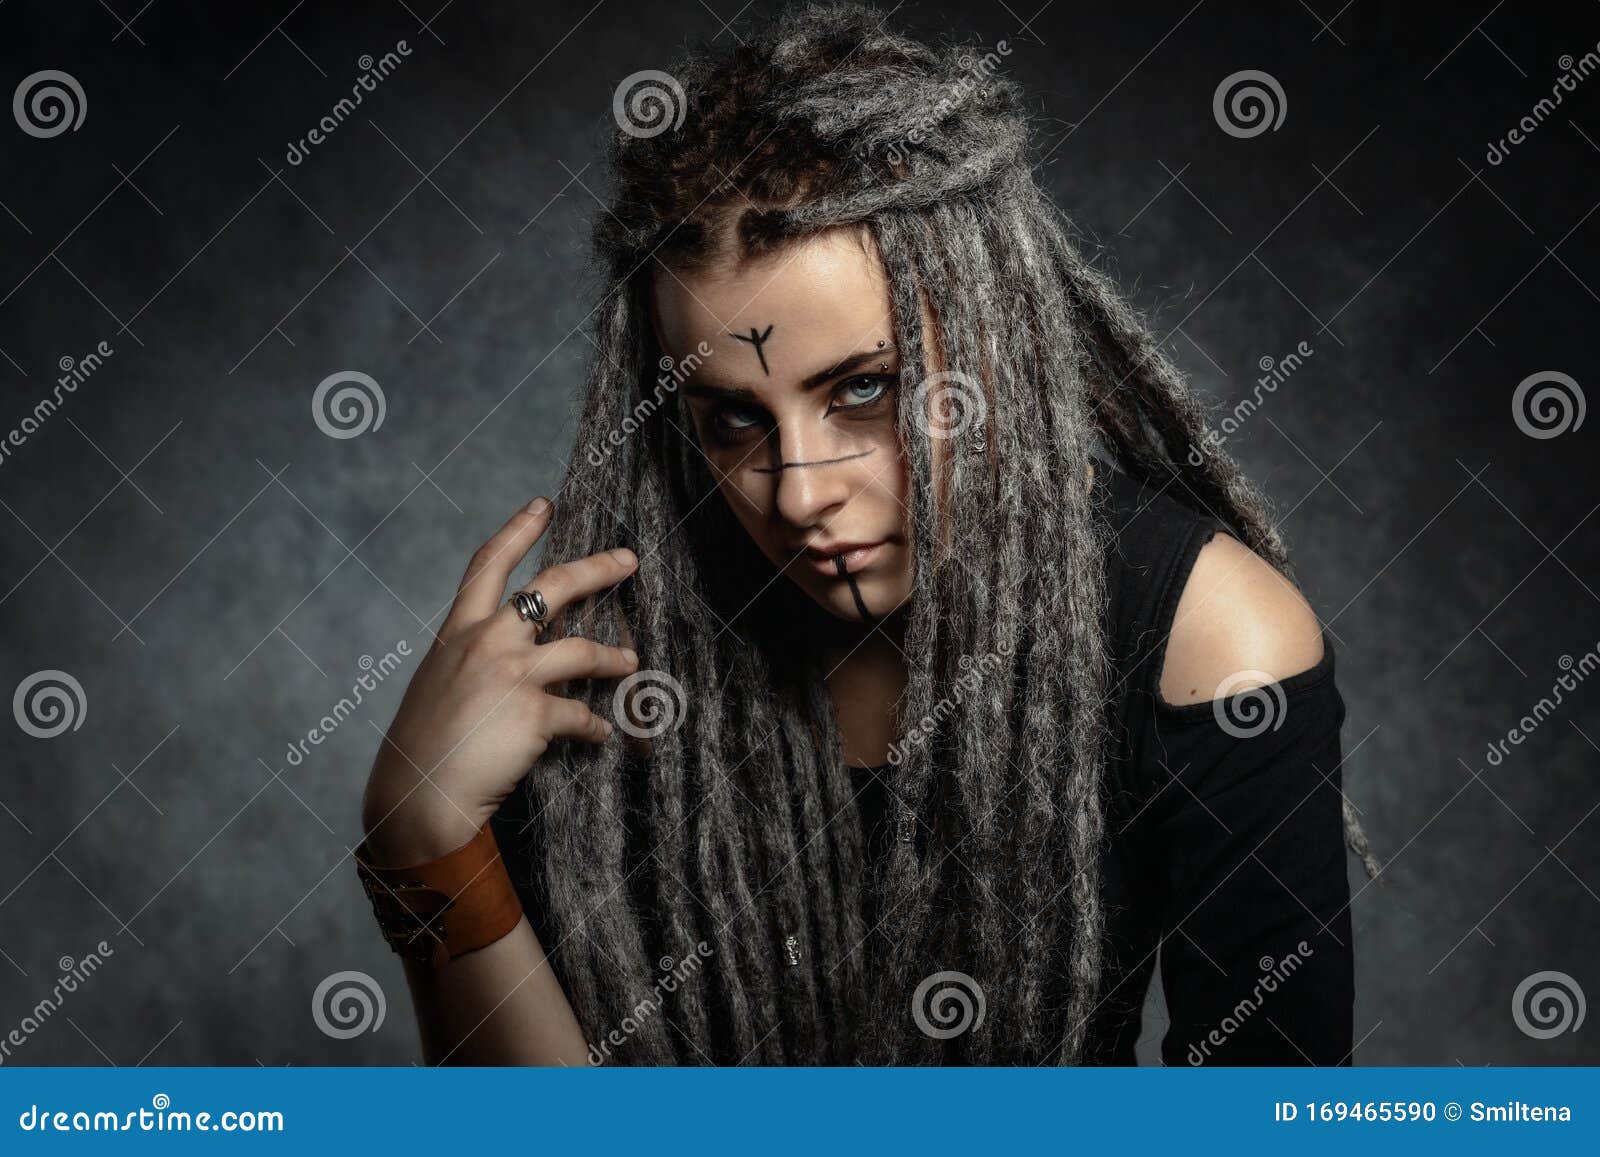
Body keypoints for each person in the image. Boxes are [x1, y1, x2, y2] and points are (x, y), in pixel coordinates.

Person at [356, 0, 1382, 1066]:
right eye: (734, 419)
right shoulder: (614, 655)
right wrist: (428, 838)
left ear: (998, 338)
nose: (799, 493)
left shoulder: (1205, 639)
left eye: (862, 390)